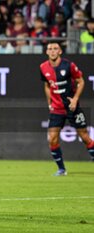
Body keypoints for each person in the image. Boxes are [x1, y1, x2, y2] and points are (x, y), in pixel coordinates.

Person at [40, 42, 94, 176]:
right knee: (52, 138)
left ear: (60, 52)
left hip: (71, 107)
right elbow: (47, 85)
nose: (52, 51)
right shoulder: (43, 67)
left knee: (85, 137)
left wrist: (75, 99)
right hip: (56, 110)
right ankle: (61, 169)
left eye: (55, 49)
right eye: (50, 49)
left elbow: (81, 81)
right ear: (47, 52)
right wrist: (49, 102)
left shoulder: (69, 65)